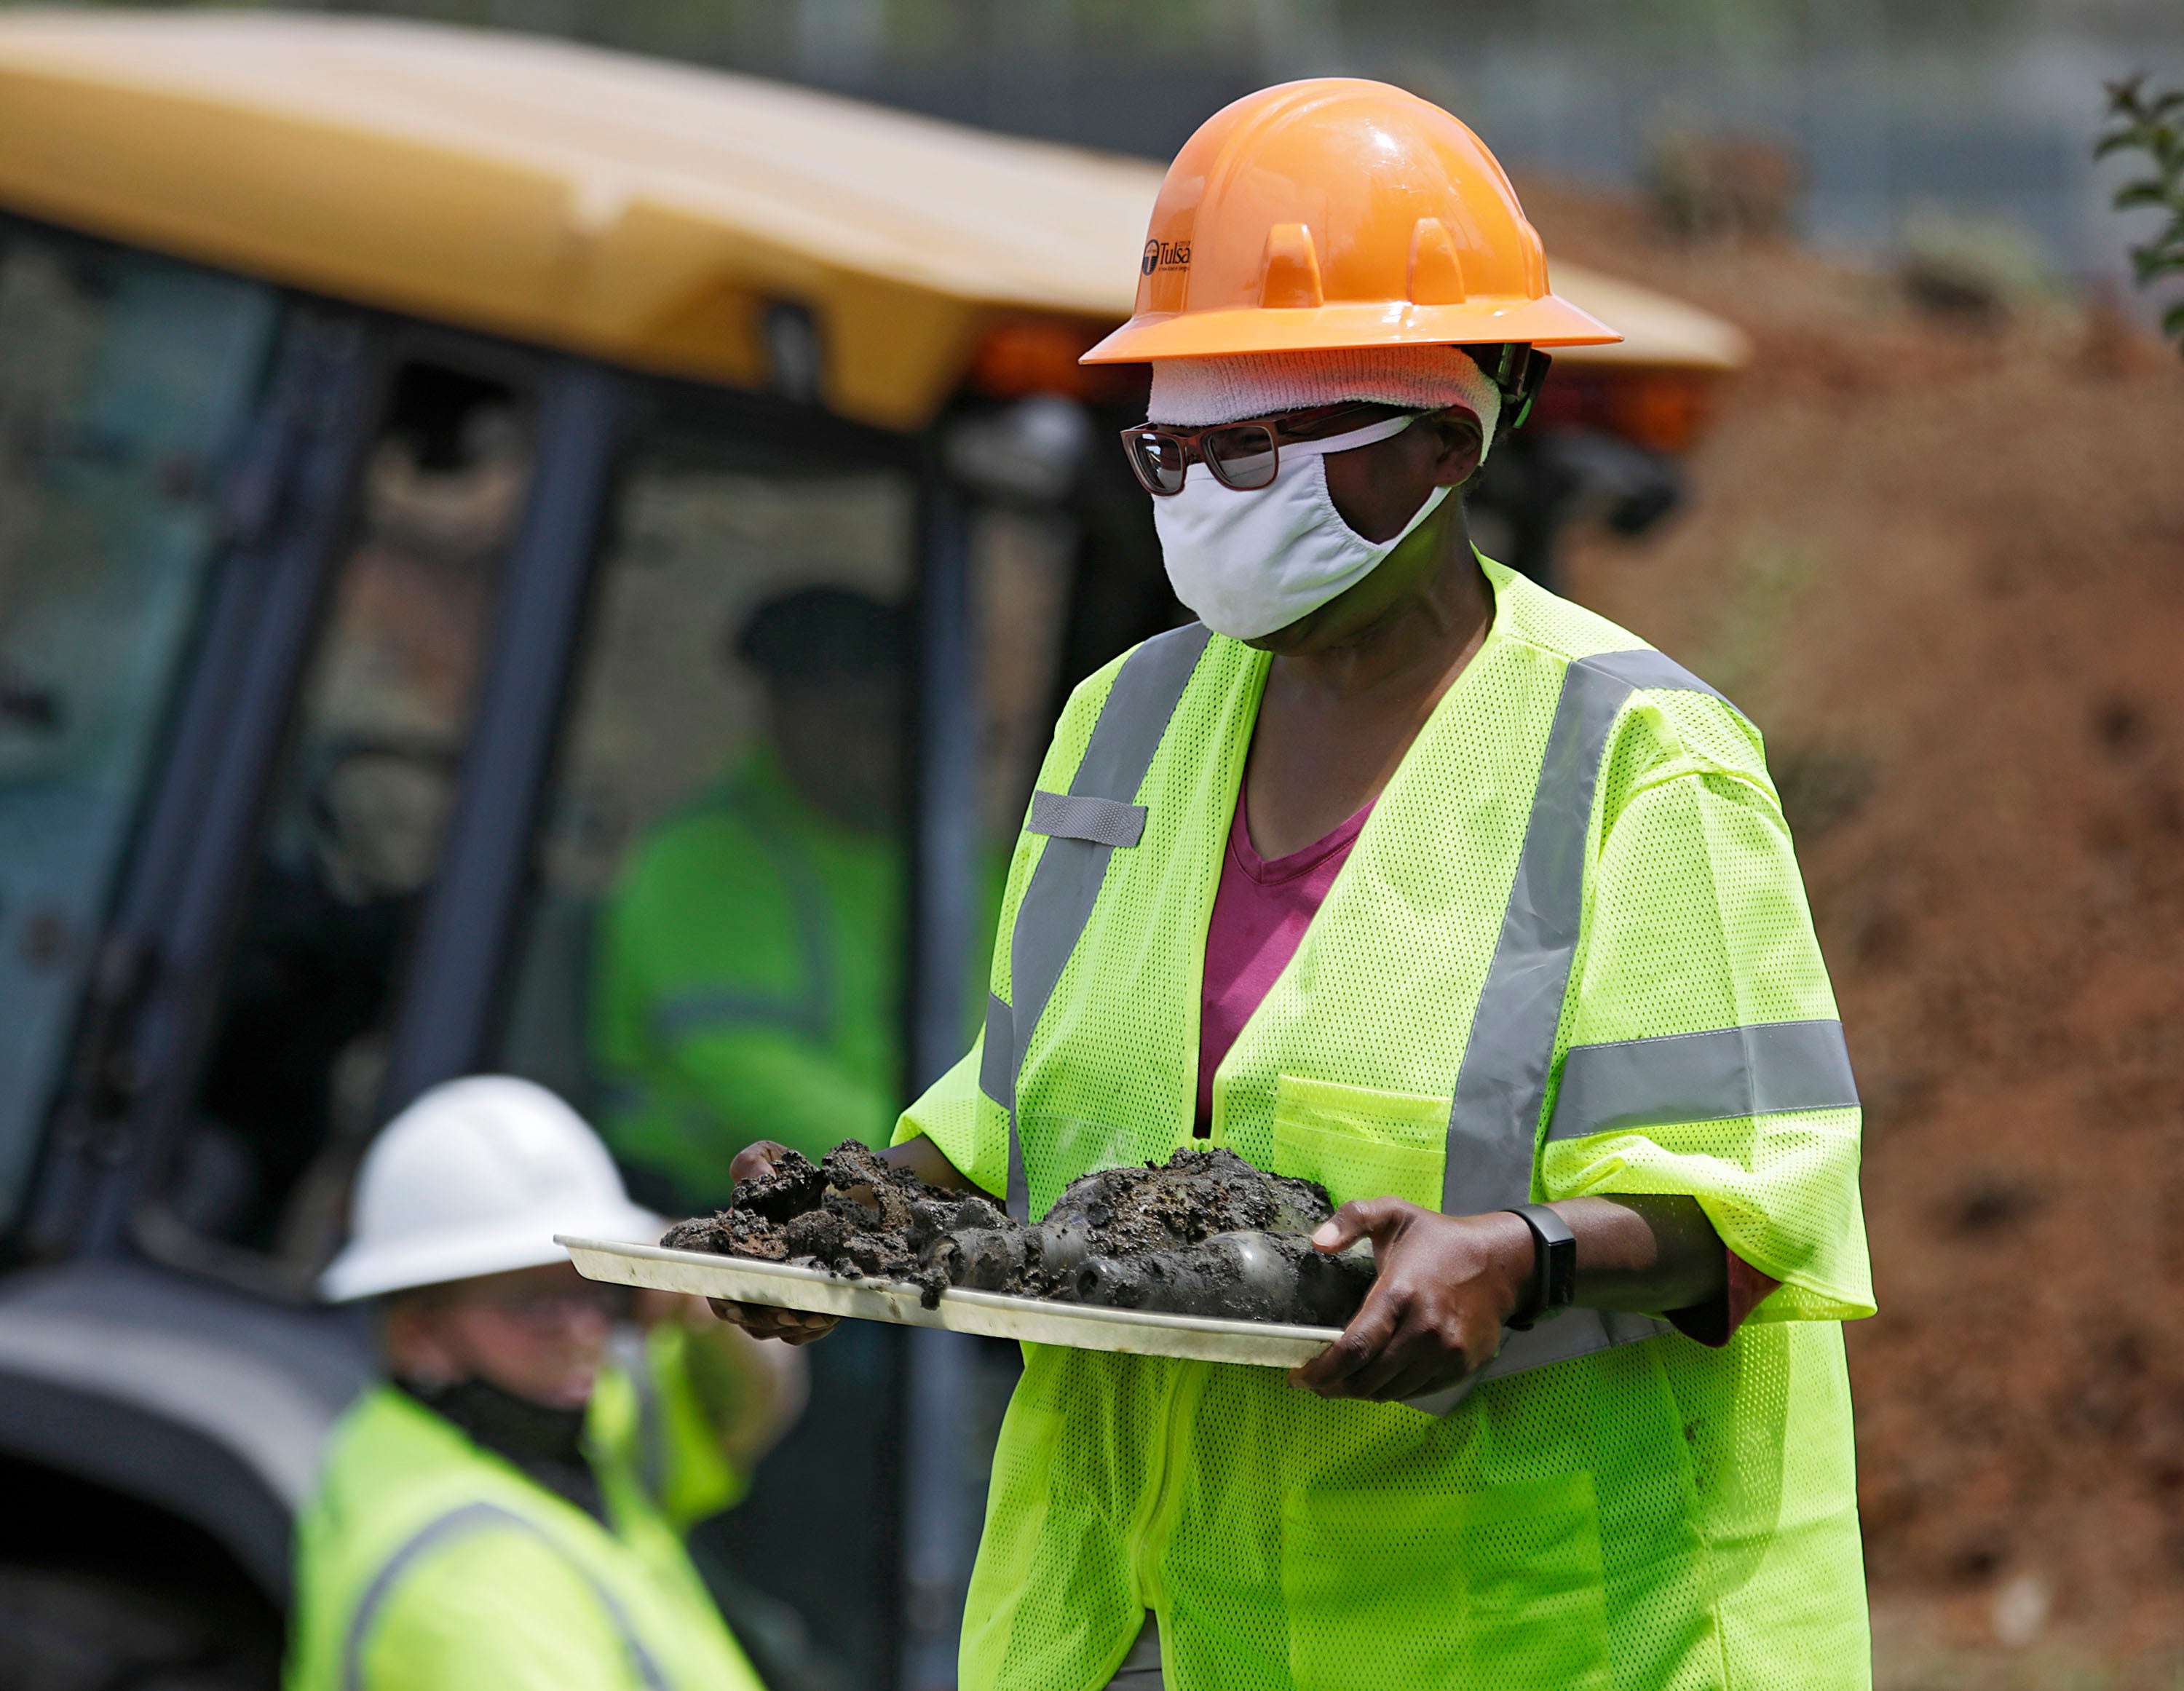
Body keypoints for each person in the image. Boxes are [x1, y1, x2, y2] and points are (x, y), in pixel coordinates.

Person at [719, 79, 1875, 1691]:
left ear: (1448, 438)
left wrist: (1515, 1255)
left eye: (1251, 446)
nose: (1196, 497)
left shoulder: (1639, 762)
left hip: (1518, 1638)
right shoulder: (1118, 726)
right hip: (1130, 1623)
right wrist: (856, 1219)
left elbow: (1754, 1206)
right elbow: (1022, 1117)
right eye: (1164, 449)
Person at [286, 1075, 803, 1691]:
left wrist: (710, 1304)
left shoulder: (527, 1423)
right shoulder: (474, 1589)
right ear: (416, 1330)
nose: (585, 1331)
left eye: (595, 1291)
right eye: (535, 1304)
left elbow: (744, 1416)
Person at [596, 586, 909, 1212]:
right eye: (842, 716)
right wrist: (938, 1166)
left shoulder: (966, 862)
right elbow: (744, 1073)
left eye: (886, 718)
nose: (868, 741)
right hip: (720, 1224)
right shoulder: (706, 862)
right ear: (785, 710)